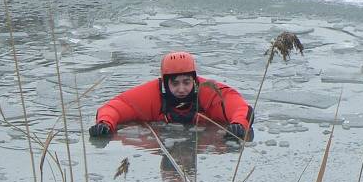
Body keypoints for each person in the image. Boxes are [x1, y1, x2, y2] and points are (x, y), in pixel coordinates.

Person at [89, 51, 254, 141]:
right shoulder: (150, 96)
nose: (181, 89)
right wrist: (105, 124)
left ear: (195, 81)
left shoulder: (209, 93)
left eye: (186, 82)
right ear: (164, 83)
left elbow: (241, 108)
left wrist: (238, 125)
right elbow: (114, 107)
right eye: (175, 83)